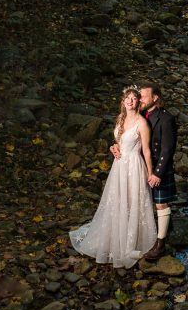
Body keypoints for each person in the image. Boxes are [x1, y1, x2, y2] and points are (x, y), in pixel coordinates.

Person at [69, 87, 157, 268]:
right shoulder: (120, 118)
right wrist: (113, 147)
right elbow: (119, 141)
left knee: (132, 201)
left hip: (133, 165)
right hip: (119, 166)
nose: (130, 101)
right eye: (128, 98)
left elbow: (146, 150)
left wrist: (150, 173)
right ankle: (114, 237)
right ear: (123, 101)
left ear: (138, 102)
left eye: (134, 98)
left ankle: (129, 241)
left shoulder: (142, 123)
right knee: (117, 201)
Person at [112, 81, 178, 261]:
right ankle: (136, 236)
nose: (139, 99)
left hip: (157, 166)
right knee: (136, 202)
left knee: (160, 204)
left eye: (143, 96)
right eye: (138, 96)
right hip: (135, 166)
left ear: (155, 98)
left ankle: (160, 244)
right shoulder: (140, 113)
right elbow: (125, 135)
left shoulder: (166, 118)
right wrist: (115, 146)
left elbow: (167, 149)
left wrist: (157, 173)